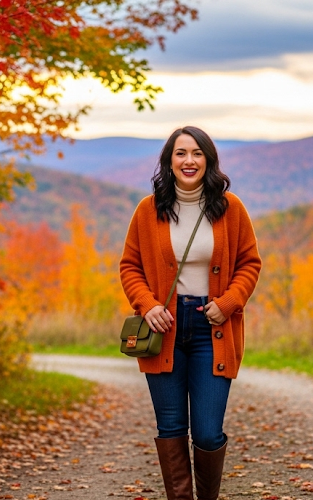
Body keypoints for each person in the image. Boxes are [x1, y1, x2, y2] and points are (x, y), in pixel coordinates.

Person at [119, 126, 262, 500]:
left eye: (197, 153)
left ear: (209, 160)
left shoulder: (231, 209)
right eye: (181, 153)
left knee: (209, 431)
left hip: (211, 328)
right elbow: (129, 267)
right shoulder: (148, 210)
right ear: (169, 161)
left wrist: (227, 304)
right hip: (163, 329)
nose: (189, 161)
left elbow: (250, 264)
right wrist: (148, 306)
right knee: (170, 427)